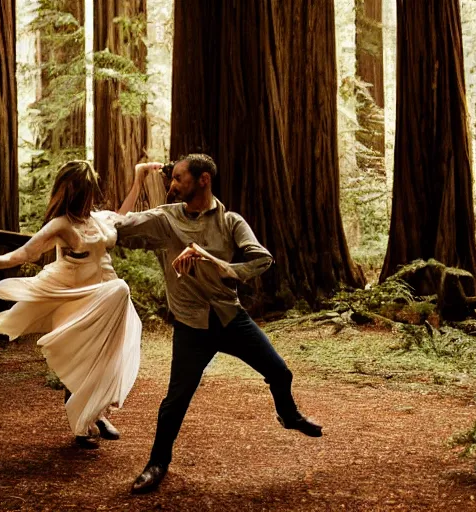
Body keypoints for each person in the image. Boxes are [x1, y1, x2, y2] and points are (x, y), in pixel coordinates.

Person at [115, 153, 322, 494]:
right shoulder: (165, 219)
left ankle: (288, 414)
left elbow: (262, 259)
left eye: (179, 178)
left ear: (203, 180)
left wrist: (213, 260)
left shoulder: (230, 221)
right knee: (175, 401)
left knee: (280, 372)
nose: (172, 184)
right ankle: (157, 463)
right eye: (173, 178)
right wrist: (137, 180)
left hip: (230, 318)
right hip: (191, 327)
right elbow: (116, 227)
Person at [0, 160, 163, 449]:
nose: (91, 196)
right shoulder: (60, 225)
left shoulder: (98, 219)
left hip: (107, 300)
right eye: (86, 191)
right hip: (73, 299)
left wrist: (138, 178)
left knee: (106, 358)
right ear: (74, 192)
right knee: (81, 359)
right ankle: (81, 424)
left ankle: (97, 415)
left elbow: (122, 214)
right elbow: (17, 256)